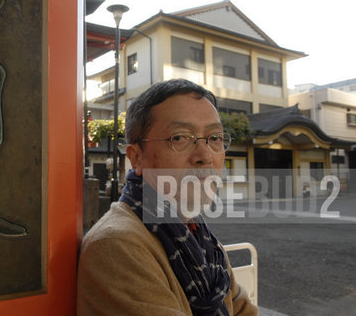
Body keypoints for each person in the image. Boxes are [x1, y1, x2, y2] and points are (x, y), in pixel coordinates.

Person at [77, 79, 258, 316]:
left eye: (215, 138)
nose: (205, 155)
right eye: (180, 137)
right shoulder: (117, 246)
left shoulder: (203, 239)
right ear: (137, 158)